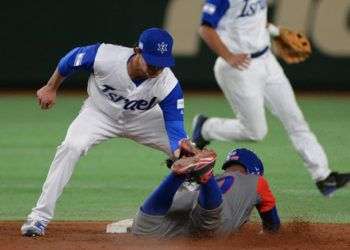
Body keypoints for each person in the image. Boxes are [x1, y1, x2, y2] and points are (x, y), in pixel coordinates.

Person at [21, 28, 188, 237]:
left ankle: (193, 212)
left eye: (161, 64)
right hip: (99, 114)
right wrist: (50, 86)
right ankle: (39, 218)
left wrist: (180, 149)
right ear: (137, 51)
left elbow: (175, 126)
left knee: (188, 157)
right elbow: (70, 60)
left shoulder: (169, 84)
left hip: (144, 120)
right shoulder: (105, 56)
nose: (156, 68)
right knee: (71, 147)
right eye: (152, 62)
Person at [191, 0, 350, 196]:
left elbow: (253, 19)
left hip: (267, 61)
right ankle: (206, 128)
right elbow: (205, 28)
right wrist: (228, 56)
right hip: (240, 68)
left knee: (295, 119)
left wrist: (275, 31)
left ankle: (324, 177)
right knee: (255, 132)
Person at [131, 147, 280, 238]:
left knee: (144, 228)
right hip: (211, 223)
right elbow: (273, 227)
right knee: (209, 221)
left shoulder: (218, 179)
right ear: (255, 171)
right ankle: (206, 175)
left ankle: (176, 176)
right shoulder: (257, 181)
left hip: (177, 218)